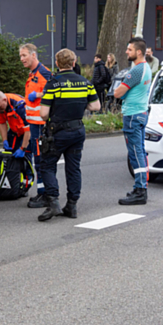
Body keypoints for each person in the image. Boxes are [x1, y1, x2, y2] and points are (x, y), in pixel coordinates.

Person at [37, 49, 100, 221]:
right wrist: (79, 105)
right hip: (78, 131)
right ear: (74, 63)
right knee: (73, 168)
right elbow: (96, 107)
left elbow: (43, 114)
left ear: (57, 63)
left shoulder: (53, 84)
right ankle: (72, 205)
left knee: (47, 165)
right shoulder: (85, 83)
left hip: (57, 132)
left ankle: (53, 202)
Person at [115, 38, 153, 206]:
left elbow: (117, 93)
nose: (126, 52)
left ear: (138, 52)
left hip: (132, 115)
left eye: (129, 49)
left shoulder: (136, 71)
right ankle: (140, 188)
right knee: (140, 151)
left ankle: (140, 190)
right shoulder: (147, 68)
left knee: (135, 153)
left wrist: (121, 92)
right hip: (141, 113)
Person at [19, 43, 52, 208]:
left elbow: (55, 90)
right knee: (37, 159)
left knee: (40, 160)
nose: (22, 59)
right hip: (33, 123)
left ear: (33, 55)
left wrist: (37, 94)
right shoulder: (33, 74)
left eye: (24, 55)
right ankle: (42, 192)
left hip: (40, 124)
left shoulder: (44, 72)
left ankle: (44, 194)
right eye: (21, 56)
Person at [0, 91, 31, 161]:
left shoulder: (20, 106)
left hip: (28, 131)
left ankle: (28, 171)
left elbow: (29, 129)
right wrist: (5, 140)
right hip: (15, 129)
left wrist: (23, 148)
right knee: (10, 154)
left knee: (26, 157)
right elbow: (1, 123)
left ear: (5, 100)